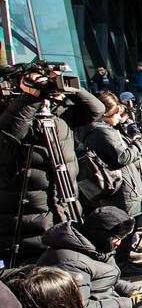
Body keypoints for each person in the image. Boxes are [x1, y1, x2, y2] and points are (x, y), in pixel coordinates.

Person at [0, 74, 103, 263]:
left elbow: (96, 110)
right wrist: (30, 97)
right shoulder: (10, 112)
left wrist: (69, 86)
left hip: (64, 205)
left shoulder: (59, 113)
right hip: (26, 218)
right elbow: (10, 134)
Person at [81, 92, 142, 275]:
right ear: (104, 113)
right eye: (116, 113)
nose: (119, 117)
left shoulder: (105, 130)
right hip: (120, 188)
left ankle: (125, 257)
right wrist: (139, 143)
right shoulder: (100, 131)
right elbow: (121, 157)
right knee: (122, 224)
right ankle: (121, 262)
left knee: (128, 223)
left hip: (125, 185)